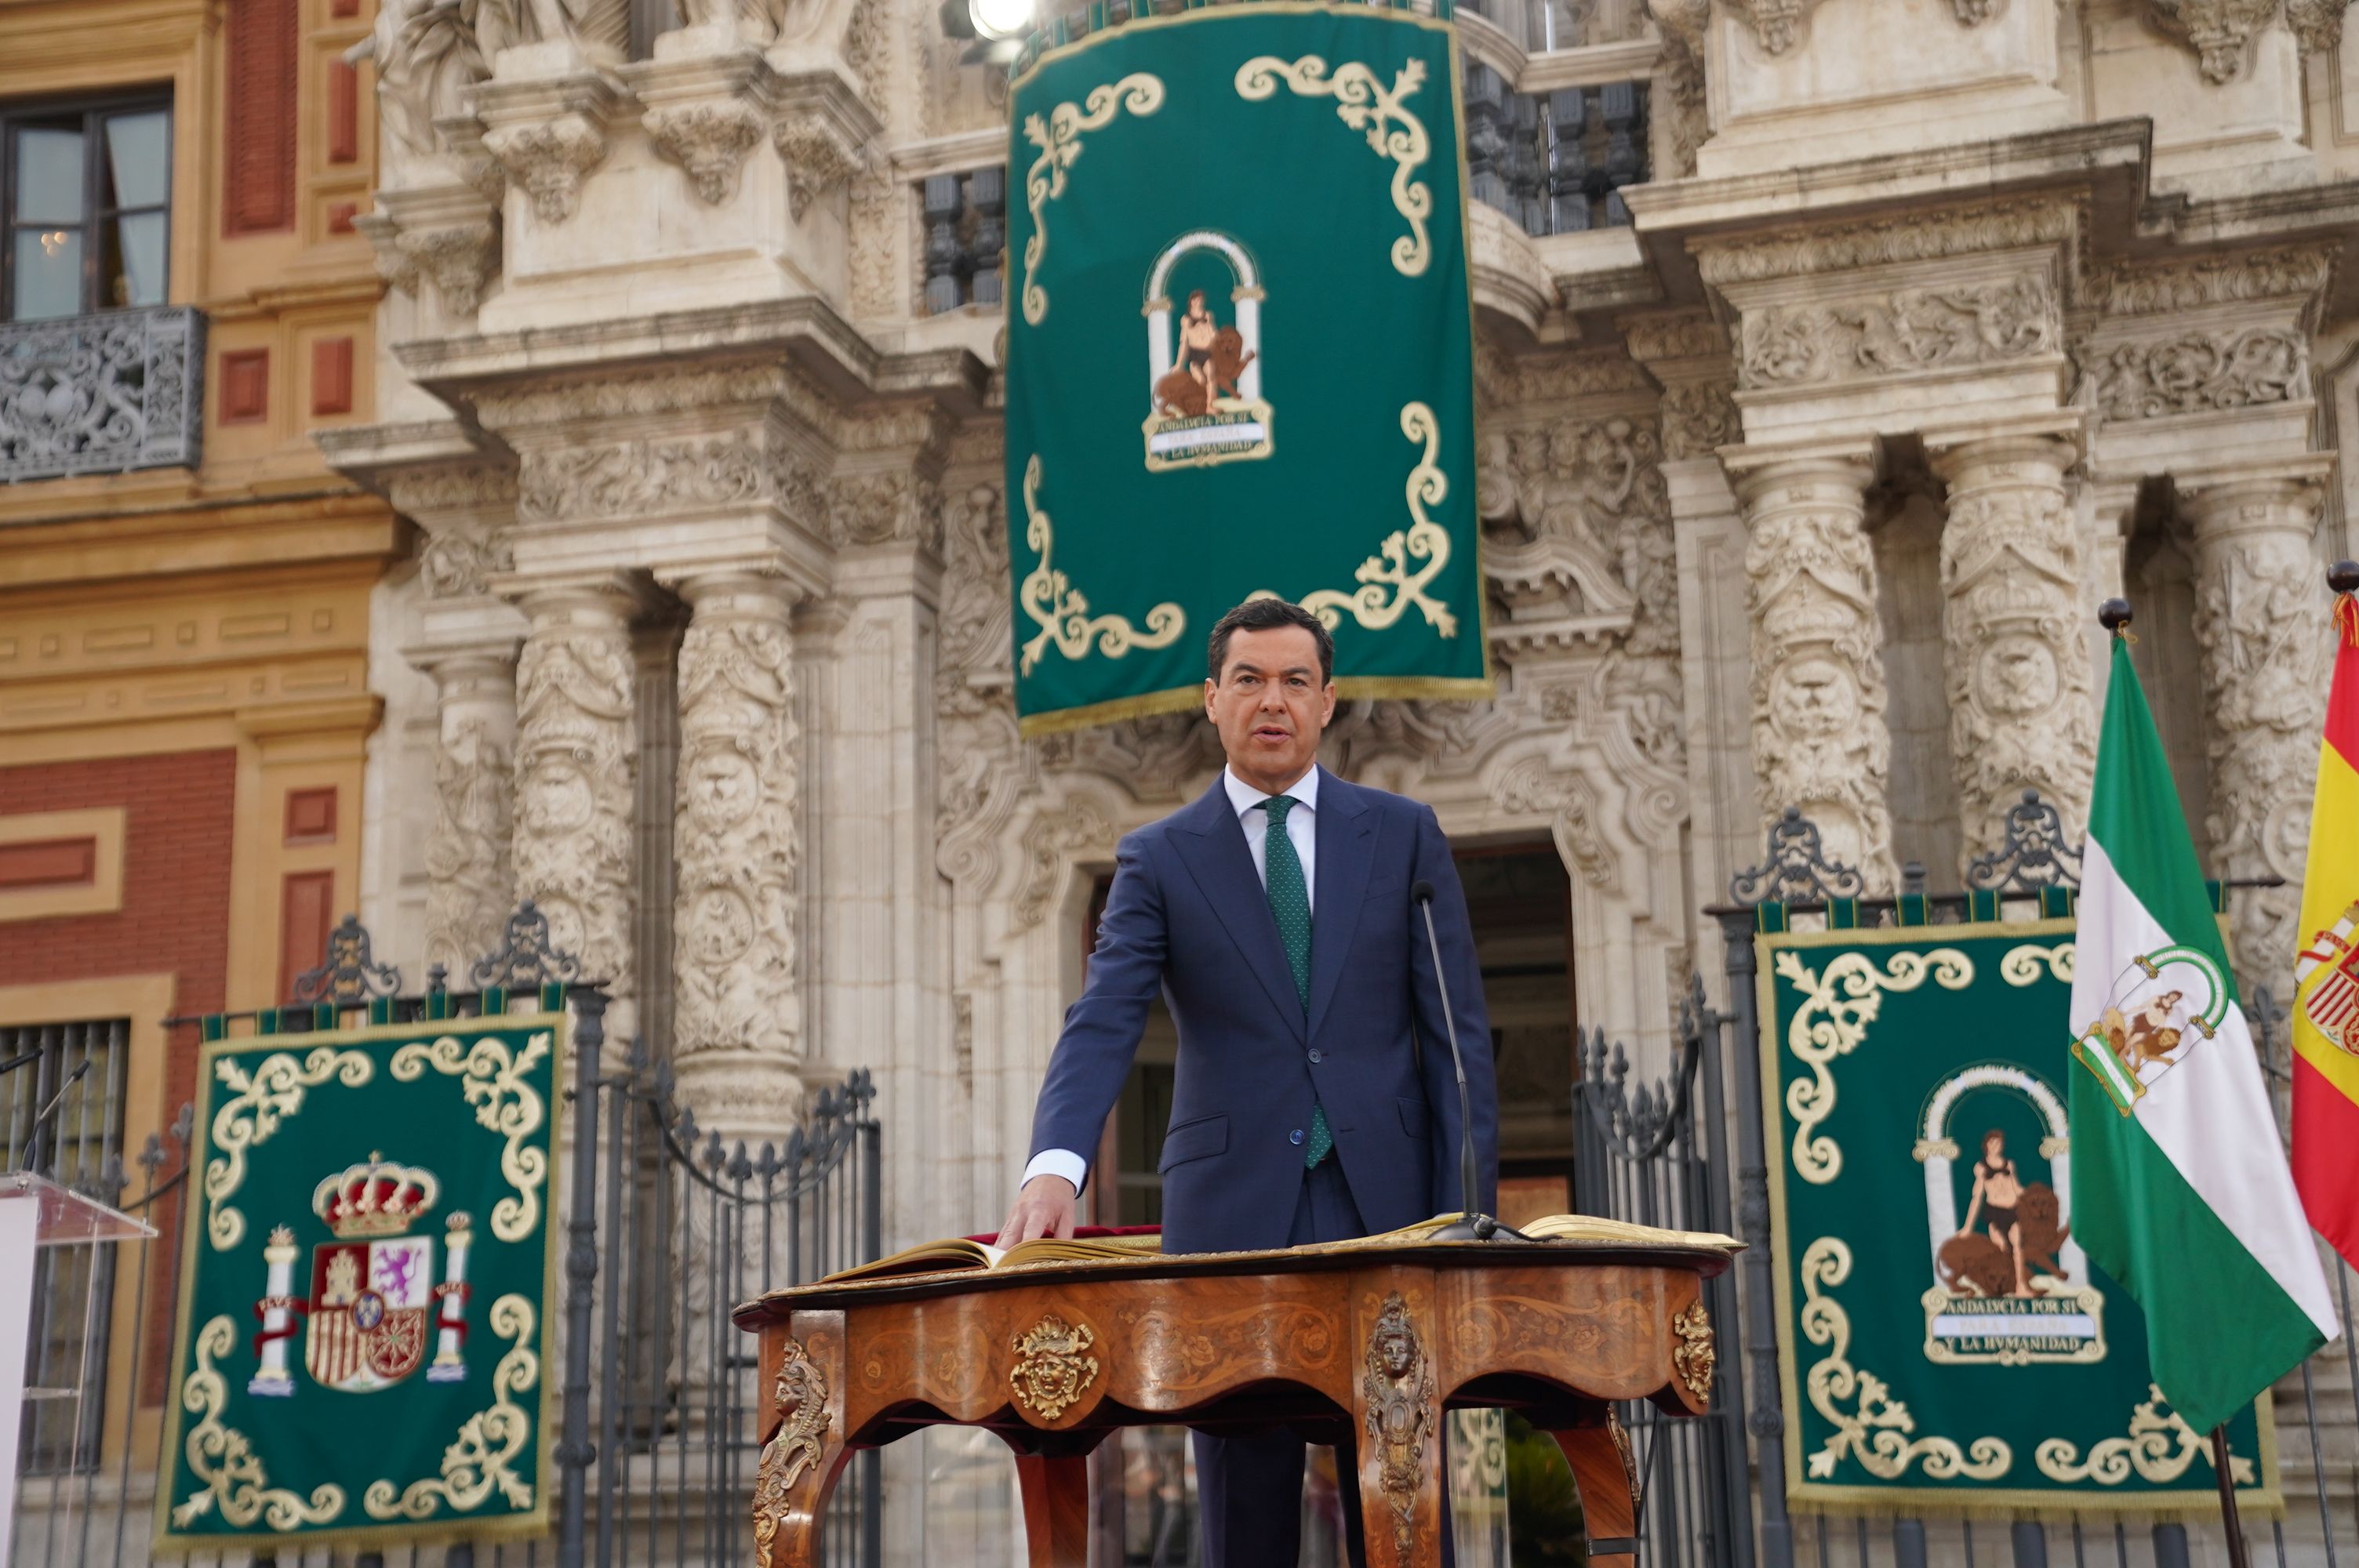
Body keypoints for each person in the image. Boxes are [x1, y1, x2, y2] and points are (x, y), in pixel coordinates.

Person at [996, 596, 1498, 1568]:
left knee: (1399, 1505)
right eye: (1249, 680)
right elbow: (1103, 1018)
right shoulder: (1156, 857)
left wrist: (1463, 1216)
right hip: (1230, 1221)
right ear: (1211, 699)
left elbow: (1456, 1035)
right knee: (1243, 1515)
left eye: (1294, 680)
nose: (1272, 700)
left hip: (1387, 1210)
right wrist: (1053, 1164)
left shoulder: (1401, 835)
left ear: (1326, 701)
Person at [1959, 1127, 2030, 1297]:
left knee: (2018, 1248)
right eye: (1993, 1142)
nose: (1996, 1146)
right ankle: (1999, 1285)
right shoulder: (1981, 1167)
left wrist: (2033, 1196)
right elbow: (1977, 1196)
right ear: (1986, 1145)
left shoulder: (2009, 1164)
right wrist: (1968, 1227)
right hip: (1995, 1212)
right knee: (2000, 1249)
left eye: (1999, 1142)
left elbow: (2017, 1188)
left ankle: (2021, 1285)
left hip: (2012, 1211)